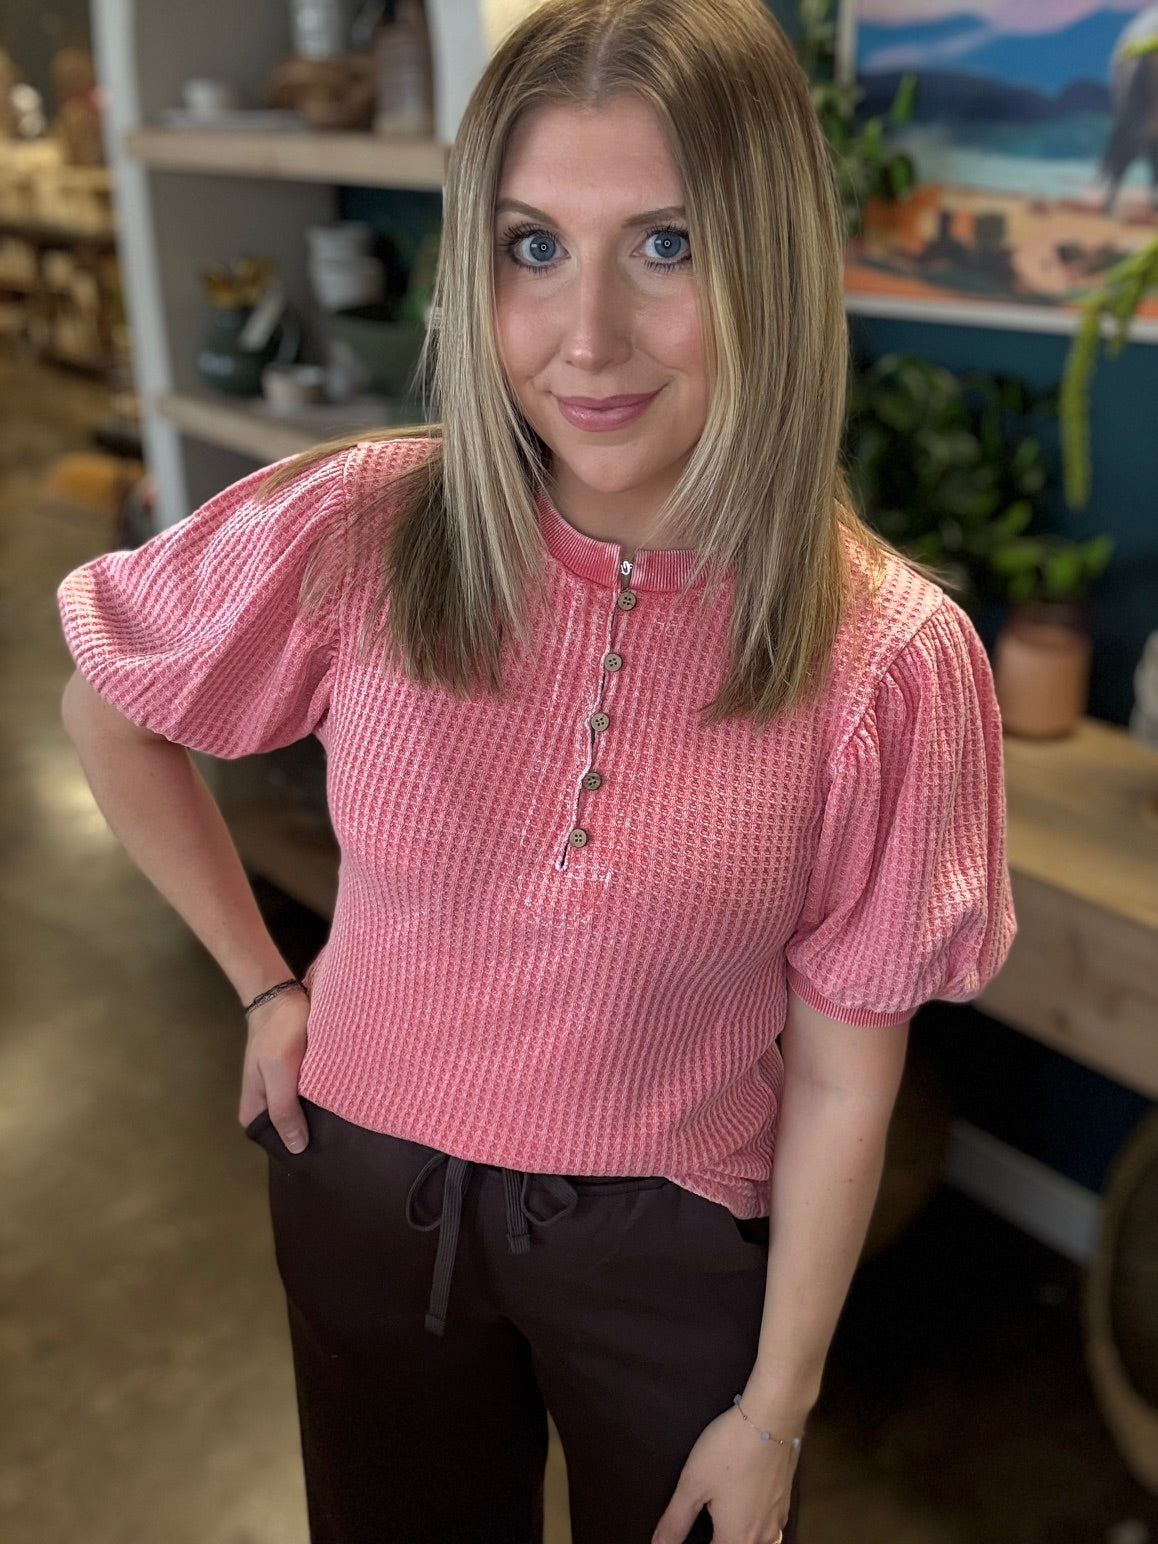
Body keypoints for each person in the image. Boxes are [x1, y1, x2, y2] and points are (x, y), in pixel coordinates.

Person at [55, 1, 1017, 1540]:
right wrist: (261, 980)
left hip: (668, 1248)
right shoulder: (364, 526)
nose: (585, 340)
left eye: (664, 246)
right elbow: (110, 704)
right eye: (529, 246)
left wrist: (776, 1412)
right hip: (357, 1185)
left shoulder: (886, 659)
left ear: (767, 258)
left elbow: (845, 1071)